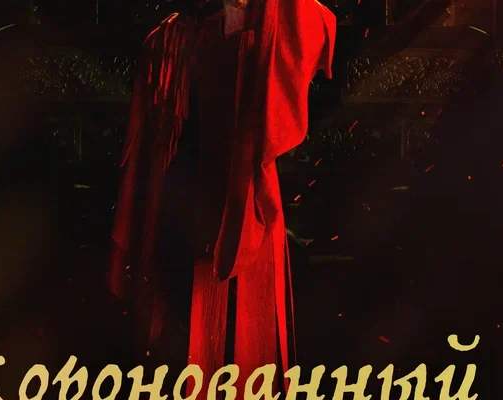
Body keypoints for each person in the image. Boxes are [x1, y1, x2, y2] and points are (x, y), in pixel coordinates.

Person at [107, 0, 336, 395]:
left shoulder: (264, 25)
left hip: (241, 210)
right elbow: (145, 152)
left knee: (243, 346)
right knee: (177, 344)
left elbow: (311, 28)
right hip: (176, 215)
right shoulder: (165, 42)